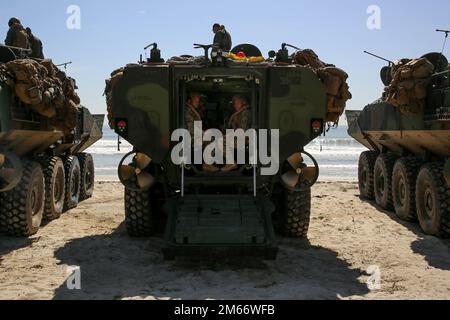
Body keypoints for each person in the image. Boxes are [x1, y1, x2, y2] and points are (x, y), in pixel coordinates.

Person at [185, 93, 219, 173]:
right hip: (190, 137)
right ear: (189, 101)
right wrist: (205, 133)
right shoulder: (187, 112)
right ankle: (207, 164)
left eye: (198, 101)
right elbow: (191, 129)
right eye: (196, 101)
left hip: (194, 136)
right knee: (213, 137)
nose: (198, 103)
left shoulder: (192, 111)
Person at [222, 95, 252, 172]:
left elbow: (243, 131)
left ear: (243, 103)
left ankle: (231, 163)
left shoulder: (246, 113)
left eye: (237, 103)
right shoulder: (238, 113)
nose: (235, 105)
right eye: (234, 103)